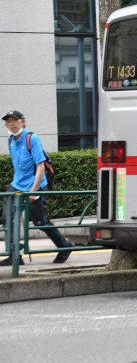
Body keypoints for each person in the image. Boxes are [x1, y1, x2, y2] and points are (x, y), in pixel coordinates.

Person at [1, 110, 72, 266]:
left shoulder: (31, 138)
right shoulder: (10, 139)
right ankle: (14, 256)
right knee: (8, 219)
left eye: (15, 120)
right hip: (16, 185)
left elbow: (40, 167)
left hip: (35, 186)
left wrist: (32, 192)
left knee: (40, 222)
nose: (12, 124)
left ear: (23, 121)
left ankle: (65, 246)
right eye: (8, 121)